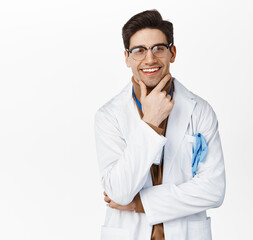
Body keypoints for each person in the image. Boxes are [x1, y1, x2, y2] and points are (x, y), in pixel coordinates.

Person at [94, 9, 226, 240]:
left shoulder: (200, 111)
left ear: (172, 53)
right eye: (139, 50)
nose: (150, 59)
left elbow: (213, 190)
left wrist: (140, 203)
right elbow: (120, 192)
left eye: (159, 48)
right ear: (127, 58)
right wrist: (150, 123)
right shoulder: (109, 116)